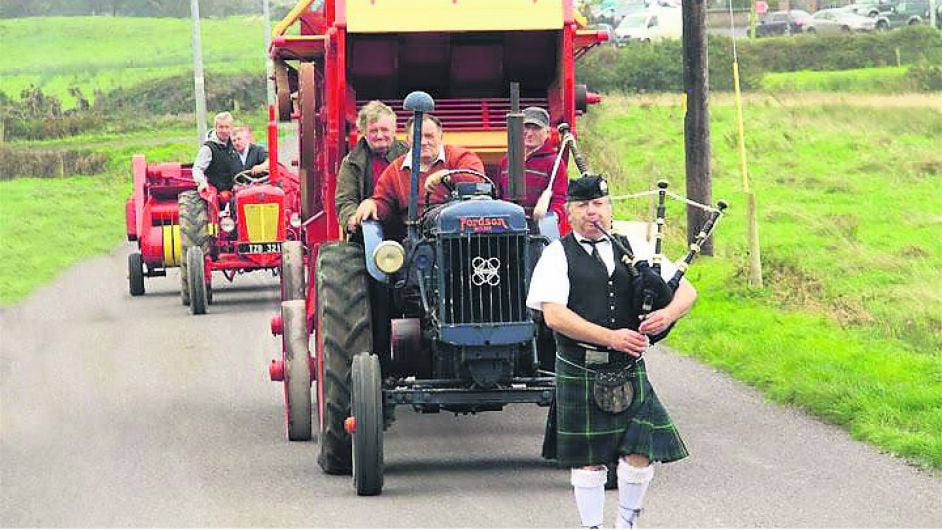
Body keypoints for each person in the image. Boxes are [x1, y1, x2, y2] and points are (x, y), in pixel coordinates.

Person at [526, 175, 697, 529]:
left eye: (599, 205)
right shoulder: (557, 253)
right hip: (581, 365)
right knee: (589, 461)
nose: (593, 213)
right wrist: (611, 337)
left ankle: (626, 524)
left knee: (641, 453)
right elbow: (555, 315)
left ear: (610, 208)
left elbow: (687, 292)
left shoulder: (632, 246)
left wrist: (667, 313)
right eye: (584, 206)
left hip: (627, 367)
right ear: (568, 213)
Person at [351, 113, 485, 239]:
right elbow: (384, 202)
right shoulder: (395, 171)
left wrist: (447, 176)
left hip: (463, 232)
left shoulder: (462, 157)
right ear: (408, 141)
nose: (423, 142)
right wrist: (372, 204)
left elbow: (477, 179)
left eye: (429, 136)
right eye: (418, 137)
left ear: (441, 137)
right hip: (415, 236)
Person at [336, 101, 409, 233]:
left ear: (394, 130)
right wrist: (353, 219)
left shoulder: (409, 155)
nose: (380, 136)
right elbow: (346, 200)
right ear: (363, 132)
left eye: (385, 130)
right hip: (368, 230)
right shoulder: (351, 163)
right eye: (373, 131)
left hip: (407, 228)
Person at [496, 106, 568, 220]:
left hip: (538, 230)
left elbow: (560, 200)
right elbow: (498, 196)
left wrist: (551, 219)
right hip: (508, 228)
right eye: (526, 127)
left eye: (536, 128)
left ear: (547, 132)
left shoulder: (555, 164)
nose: (529, 133)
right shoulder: (506, 161)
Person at [192, 111, 241, 193]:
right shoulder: (209, 148)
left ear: (231, 128)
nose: (224, 130)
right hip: (219, 192)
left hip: (238, 188)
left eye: (227, 127)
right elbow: (198, 168)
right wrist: (202, 182)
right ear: (215, 128)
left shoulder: (236, 143)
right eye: (221, 127)